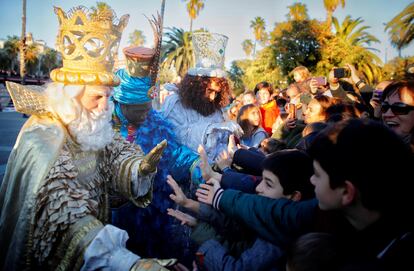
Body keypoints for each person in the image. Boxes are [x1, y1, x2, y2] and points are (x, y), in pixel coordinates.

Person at [0, 6, 174, 270]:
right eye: (97, 97)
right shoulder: (44, 139)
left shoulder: (91, 124)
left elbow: (115, 150)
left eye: (109, 97)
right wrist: (123, 262)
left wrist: (138, 168)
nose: (106, 106)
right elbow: (64, 218)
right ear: (73, 97)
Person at [198, 118, 414, 270]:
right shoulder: (340, 213)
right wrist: (220, 196)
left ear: (346, 192)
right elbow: (281, 213)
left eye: (317, 175)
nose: (311, 180)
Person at [111, 41, 203, 262]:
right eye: (138, 110)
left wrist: (199, 165)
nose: (144, 114)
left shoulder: (156, 125)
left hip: (150, 217)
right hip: (111, 218)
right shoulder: (101, 129)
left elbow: (175, 154)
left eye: (147, 108)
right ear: (120, 105)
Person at [161, 32, 242, 161]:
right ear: (196, 85)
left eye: (217, 93)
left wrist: (230, 151)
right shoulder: (175, 103)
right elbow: (179, 138)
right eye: (209, 90)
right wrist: (213, 129)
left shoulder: (216, 108)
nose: (212, 97)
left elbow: (218, 144)